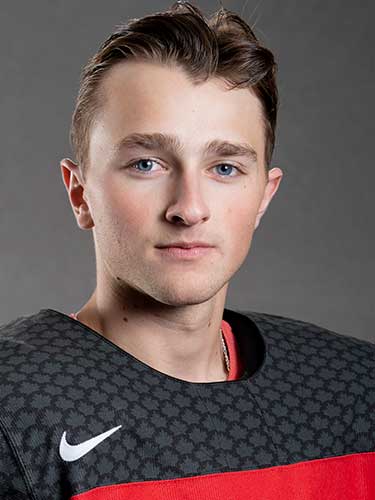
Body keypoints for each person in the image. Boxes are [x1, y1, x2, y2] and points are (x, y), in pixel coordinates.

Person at [0, 2, 374, 498]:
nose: (189, 208)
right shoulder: (15, 406)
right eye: (147, 164)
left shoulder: (353, 390)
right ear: (80, 193)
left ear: (264, 196)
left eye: (225, 168)